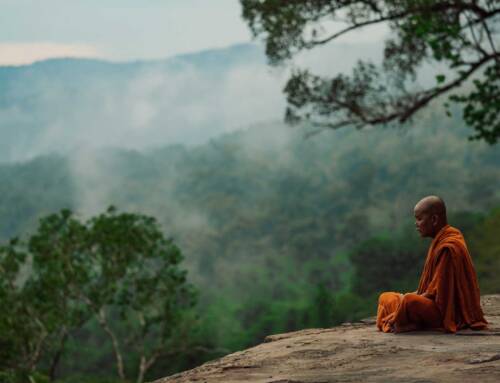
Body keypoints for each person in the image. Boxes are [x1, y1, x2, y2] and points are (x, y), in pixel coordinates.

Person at [376, 196, 488, 333]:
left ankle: (407, 321)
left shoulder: (449, 246)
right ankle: (407, 319)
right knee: (386, 297)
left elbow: (437, 293)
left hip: (445, 312)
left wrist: (407, 300)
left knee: (409, 301)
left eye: (419, 219)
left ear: (434, 220)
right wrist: (407, 299)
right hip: (430, 303)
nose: (416, 224)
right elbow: (429, 289)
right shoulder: (440, 240)